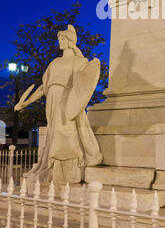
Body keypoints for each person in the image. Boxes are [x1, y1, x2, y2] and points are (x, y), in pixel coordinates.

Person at [15, 25, 103, 184]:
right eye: (59, 39)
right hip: (52, 101)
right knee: (54, 133)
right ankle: (51, 169)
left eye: (62, 39)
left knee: (66, 133)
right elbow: (43, 87)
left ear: (70, 41)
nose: (59, 42)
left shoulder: (79, 61)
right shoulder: (54, 63)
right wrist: (26, 103)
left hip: (67, 101)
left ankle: (67, 172)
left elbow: (82, 85)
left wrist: (76, 103)